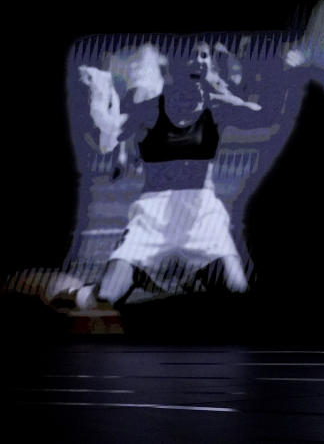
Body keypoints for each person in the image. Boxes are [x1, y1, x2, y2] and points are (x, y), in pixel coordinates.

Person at [71, 41, 258, 308]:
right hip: (152, 216)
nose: (198, 62)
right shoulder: (147, 108)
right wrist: (98, 96)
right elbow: (106, 139)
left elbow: (268, 117)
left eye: (203, 56)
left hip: (203, 216)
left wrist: (276, 76)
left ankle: (189, 282)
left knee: (239, 294)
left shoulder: (219, 105)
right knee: (105, 299)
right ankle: (77, 292)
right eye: (191, 56)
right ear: (172, 64)